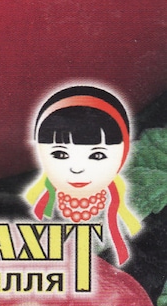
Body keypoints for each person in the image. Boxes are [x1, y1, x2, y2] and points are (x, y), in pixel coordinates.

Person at [25, 84, 141, 264]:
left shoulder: (118, 187)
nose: (77, 169)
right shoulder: (47, 184)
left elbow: (125, 215)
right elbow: (33, 202)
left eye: (97, 155)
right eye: (60, 154)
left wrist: (133, 229)